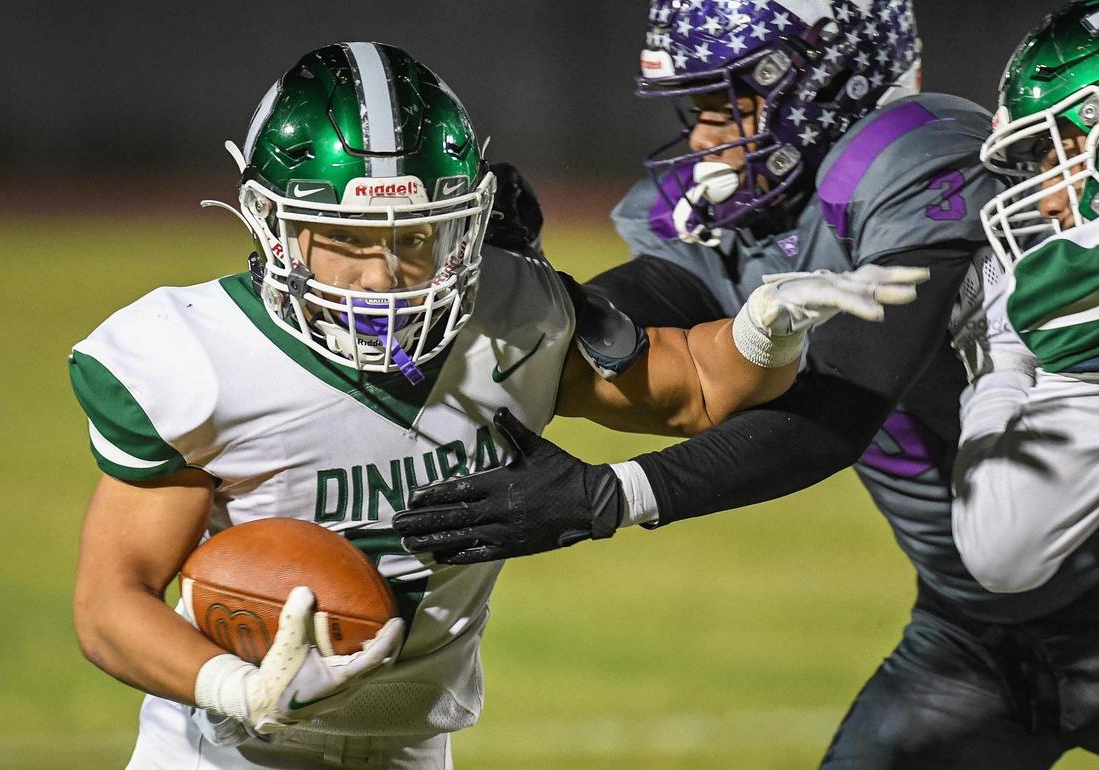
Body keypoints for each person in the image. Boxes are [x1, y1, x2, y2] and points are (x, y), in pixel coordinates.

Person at [68, 42, 920, 770]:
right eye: (347, 241)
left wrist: (767, 330)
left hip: (412, 745)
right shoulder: (197, 358)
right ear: (275, 226)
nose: (384, 276)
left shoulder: (510, 309)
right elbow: (111, 602)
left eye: (416, 238)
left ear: (468, 223)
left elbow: (692, 390)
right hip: (227, 753)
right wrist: (238, 688)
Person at [394, 2, 1099, 766]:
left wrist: (615, 496)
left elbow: (839, 404)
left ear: (823, 78)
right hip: (974, 629)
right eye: (696, 107)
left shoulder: (918, 162)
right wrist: (529, 293)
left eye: (723, 103)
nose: (702, 136)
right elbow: (633, 320)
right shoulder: (745, 208)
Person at [949, 1, 1099, 757]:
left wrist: (999, 365)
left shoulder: (1075, 300)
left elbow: (1000, 545)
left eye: (1059, 154)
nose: (1044, 196)